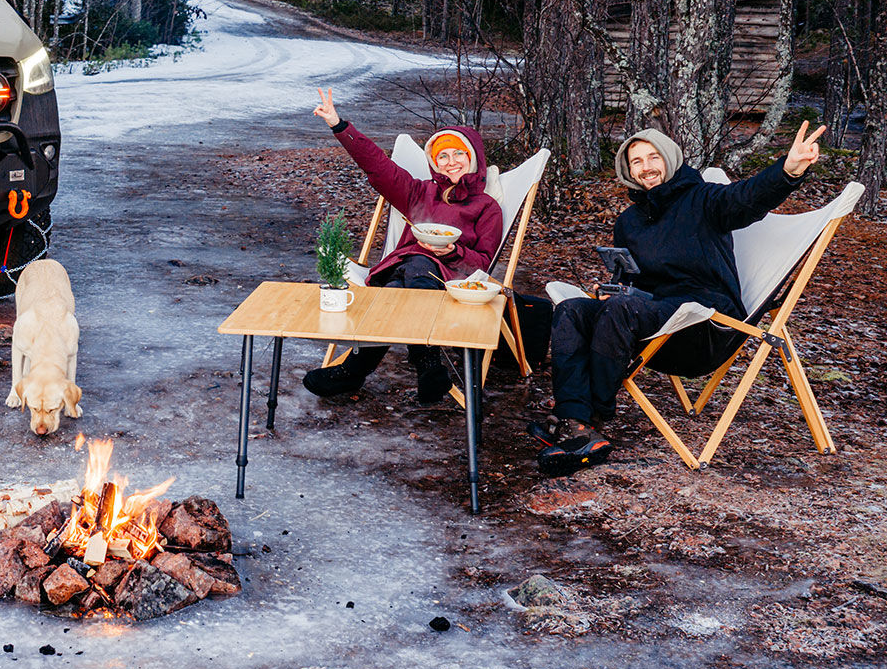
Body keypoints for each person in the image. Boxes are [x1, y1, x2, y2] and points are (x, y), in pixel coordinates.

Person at [535, 121, 826, 476]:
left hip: (704, 327)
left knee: (619, 309)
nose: (647, 167)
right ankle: (575, 420)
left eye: (653, 157)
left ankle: (587, 416)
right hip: (653, 323)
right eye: (636, 161)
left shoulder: (704, 199)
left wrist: (788, 169)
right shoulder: (630, 221)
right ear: (628, 171)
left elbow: (747, 198)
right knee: (572, 310)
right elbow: (632, 282)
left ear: (670, 159)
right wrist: (615, 286)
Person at [305, 88, 503, 404]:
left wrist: (452, 252)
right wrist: (339, 124)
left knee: (408, 274)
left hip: (451, 279)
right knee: (403, 275)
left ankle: (355, 371)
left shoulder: (487, 207)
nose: (451, 162)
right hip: (407, 270)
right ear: (435, 163)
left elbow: (482, 262)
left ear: (473, 158)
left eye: (458, 154)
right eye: (443, 156)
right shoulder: (419, 193)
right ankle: (427, 367)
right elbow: (378, 166)